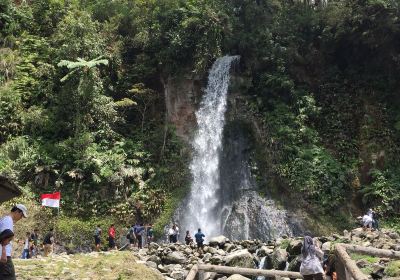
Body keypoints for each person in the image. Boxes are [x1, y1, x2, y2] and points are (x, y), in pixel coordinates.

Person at [0, 204, 28, 280]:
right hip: (4, 256)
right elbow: (5, 237)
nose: (21, 218)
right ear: (17, 212)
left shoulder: (5, 219)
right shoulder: (8, 220)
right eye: (21, 215)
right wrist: (3, 254)